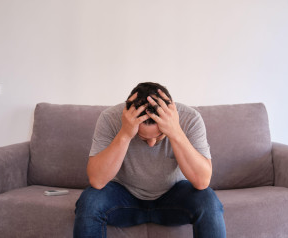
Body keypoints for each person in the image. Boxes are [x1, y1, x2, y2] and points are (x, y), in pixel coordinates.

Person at [73, 82, 226, 238]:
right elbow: (97, 181)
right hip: (124, 197)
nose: (152, 144)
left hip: (173, 197)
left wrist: (175, 132)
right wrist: (125, 134)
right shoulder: (110, 118)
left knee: (208, 201)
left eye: (159, 135)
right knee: (90, 201)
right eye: (143, 137)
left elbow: (202, 181)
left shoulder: (190, 118)